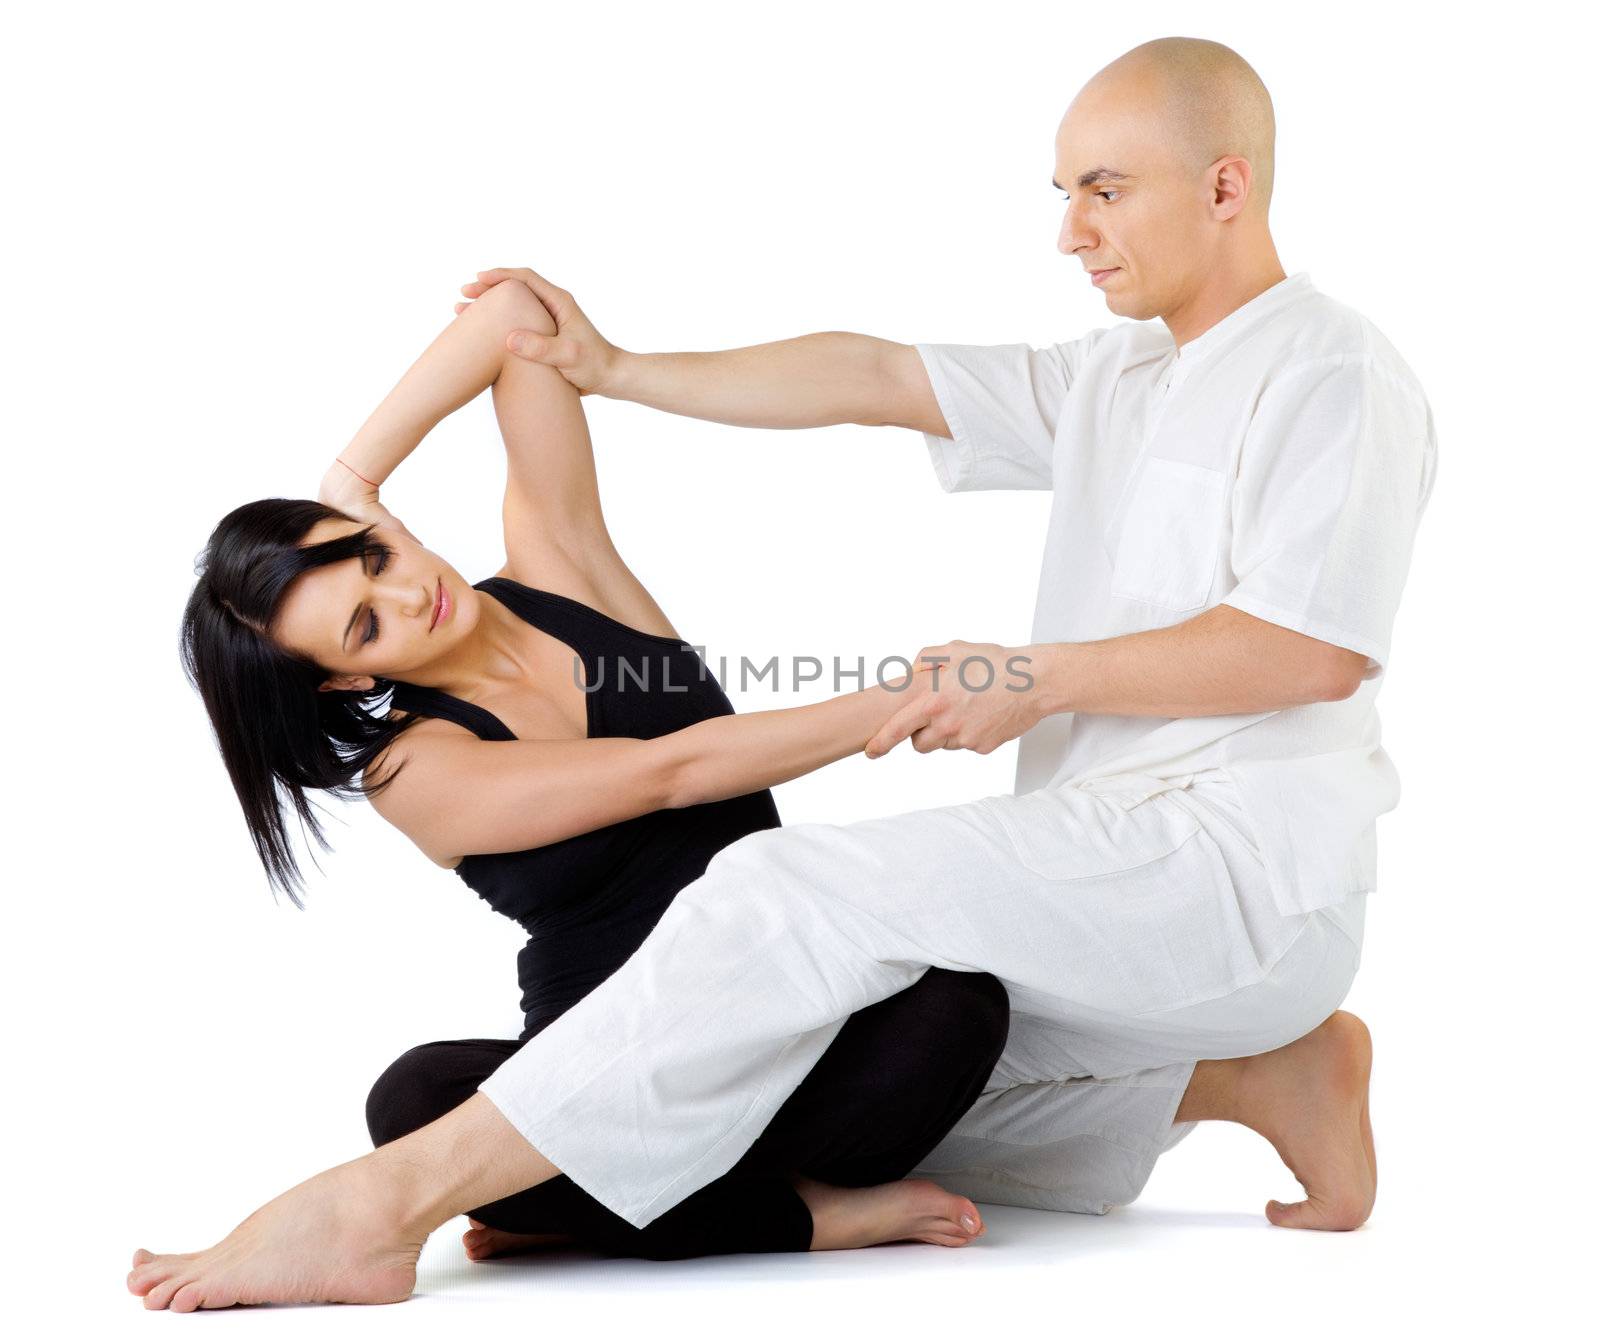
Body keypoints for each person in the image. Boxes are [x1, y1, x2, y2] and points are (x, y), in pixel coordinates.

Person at [128, 35, 1438, 1311]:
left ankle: (376, 1207)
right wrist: (625, 372)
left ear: (1226, 186)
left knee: (793, 898)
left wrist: (1023, 676)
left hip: (1237, 871)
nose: (1071, 231)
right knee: (900, 1043)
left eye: (1105, 189)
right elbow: (871, 373)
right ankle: (1266, 1078)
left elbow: (1311, 648)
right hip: (1103, 868)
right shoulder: (1122, 375)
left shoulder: (1332, 371)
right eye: (1065, 194)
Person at [173, 260, 1017, 1260]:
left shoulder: (559, 560)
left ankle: (593, 1215)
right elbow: (676, 771)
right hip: (610, 1074)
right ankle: (803, 1216)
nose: (408, 595)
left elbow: (516, 318)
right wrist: (903, 694)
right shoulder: (417, 770)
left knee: (956, 1008)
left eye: (375, 555)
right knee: (415, 1097)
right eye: (363, 627)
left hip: (784, 1022)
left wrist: (352, 477)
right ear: (343, 686)